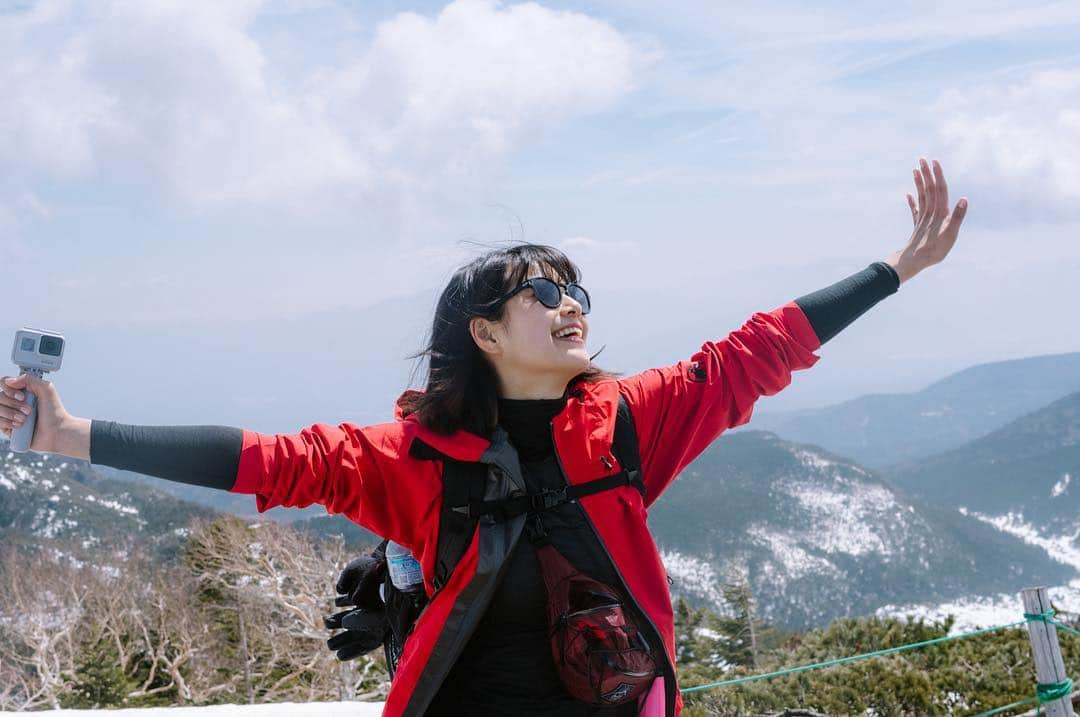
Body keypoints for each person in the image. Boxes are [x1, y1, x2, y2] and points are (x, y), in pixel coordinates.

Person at [1, 158, 968, 717]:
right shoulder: (410, 459)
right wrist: (75, 433)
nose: (569, 304)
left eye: (576, 290)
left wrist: (897, 267)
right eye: (541, 292)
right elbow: (264, 459)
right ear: (487, 331)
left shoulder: (629, 420)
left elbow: (757, 351)